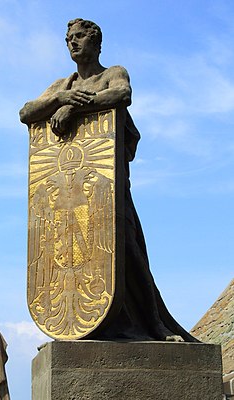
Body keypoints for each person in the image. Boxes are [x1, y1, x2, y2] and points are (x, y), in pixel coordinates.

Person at [20, 18, 196, 342]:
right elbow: (26, 111)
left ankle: (154, 324)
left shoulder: (111, 72)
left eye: (78, 37)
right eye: (68, 39)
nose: (72, 43)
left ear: (95, 42)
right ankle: (91, 322)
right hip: (74, 196)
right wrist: (61, 100)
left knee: (128, 249)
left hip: (107, 186)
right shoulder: (63, 85)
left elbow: (122, 94)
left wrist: (74, 109)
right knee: (75, 253)